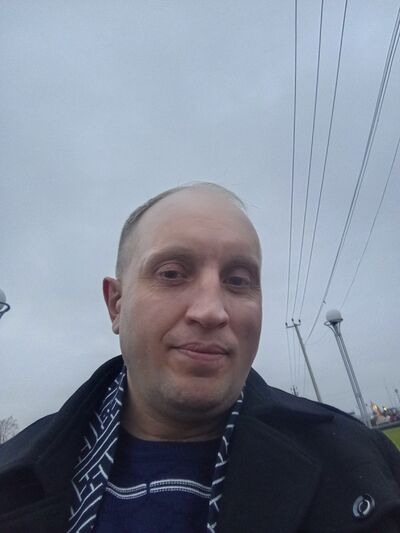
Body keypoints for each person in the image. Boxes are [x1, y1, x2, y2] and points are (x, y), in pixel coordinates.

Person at [1, 183, 400, 533]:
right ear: (116, 304)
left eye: (238, 281)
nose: (211, 311)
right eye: (172, 274)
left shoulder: (361, 467)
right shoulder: (10, 479)